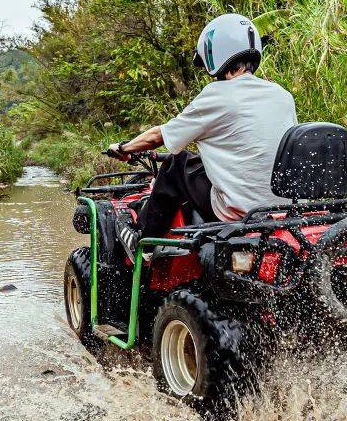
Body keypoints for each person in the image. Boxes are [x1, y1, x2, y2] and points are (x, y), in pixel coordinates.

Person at [109, 13, 298, 258]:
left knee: (177, 162)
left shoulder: (217, 95)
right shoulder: (282, 95)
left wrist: (123, 148)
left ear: (214, 54)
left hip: (239, 210)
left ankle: (142, 240)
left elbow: (160, 135)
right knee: (193, 162)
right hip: (284, 208)